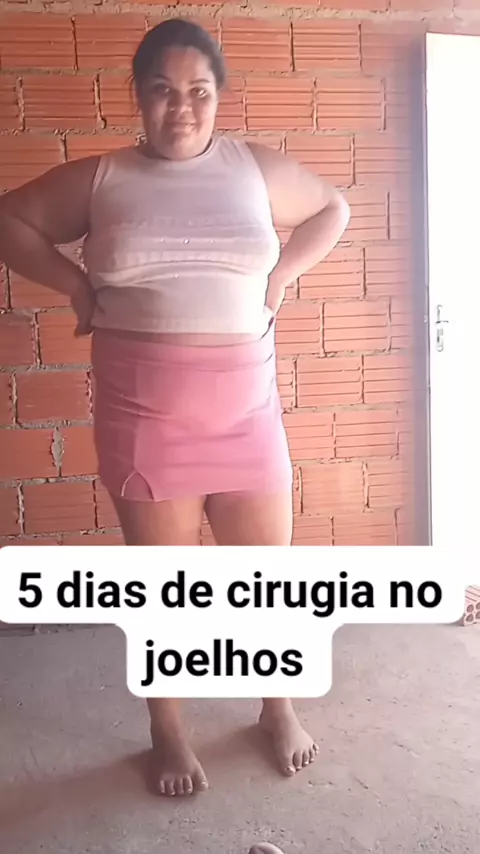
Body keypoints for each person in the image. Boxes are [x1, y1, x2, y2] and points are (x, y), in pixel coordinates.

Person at [0, 19, 350, 797]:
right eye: (162, 90)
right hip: (146, 422)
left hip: (247, 414)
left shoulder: (252, 169)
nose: (181, 108)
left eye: (198, 92)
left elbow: (333, 208)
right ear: (139, 96)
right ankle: (168, 731)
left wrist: (281, 275)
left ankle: (276, 707)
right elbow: (9, 219)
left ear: (219, 97)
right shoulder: (104, 178)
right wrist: (75, 286)